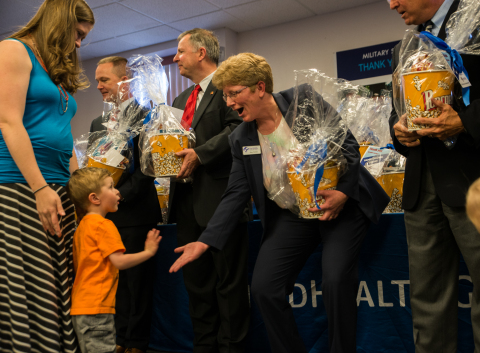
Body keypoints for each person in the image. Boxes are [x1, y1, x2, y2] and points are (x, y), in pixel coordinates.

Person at [170, 53, 390, 353]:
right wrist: (205, 241)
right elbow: (235, 194)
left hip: (339, 205)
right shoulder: (240, 138)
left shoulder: (303, 101)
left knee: (336, 281)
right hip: (293, 214)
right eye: (225, 96)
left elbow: (347, 145)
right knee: (264, 289)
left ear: (260, 88)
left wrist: (342, 193)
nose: (230, 103)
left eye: (235, 94)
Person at [0, 0, 94, 351]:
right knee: (32, 283)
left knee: (60, 283)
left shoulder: (51, 69)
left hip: (57, 186)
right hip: (19, 185)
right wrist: (39, 187)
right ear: (60, 21)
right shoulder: (13, 50)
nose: (80, 43)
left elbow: (64, 138)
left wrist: (80, 194)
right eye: (79, 34)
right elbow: (8, 121)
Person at [389, 0, 480, 351]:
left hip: (472, 181)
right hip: (421, 186)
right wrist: (399, 132)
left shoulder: (475, 19)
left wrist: (465, 121)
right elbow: (397, 109)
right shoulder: (405, 47)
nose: (393, 4)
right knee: (426, 302)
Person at [169, 28, 251, 353]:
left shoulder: (228, 88)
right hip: (186, 204)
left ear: (201, 53)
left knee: (229, 288)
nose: (175, 58)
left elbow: (240, 127)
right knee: (197, 287)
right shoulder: (178, 100)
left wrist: (201, 154)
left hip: (222, 204)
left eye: (180, 51)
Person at [90, 56, 161, 353]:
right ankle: (119, 339)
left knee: (137, 285)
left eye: (104, 80)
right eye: (97, 81)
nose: (98, 86)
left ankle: (137, 343)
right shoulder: (97, 123)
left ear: (125, 81)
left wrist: (117, 197)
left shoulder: (148, 116)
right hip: (108, 217)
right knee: (114, 282)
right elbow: (95, 168)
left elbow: (148, 168)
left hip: (136, 213)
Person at [66, 167, 161, 353]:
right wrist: (148, 252)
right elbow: (119, 262)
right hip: (97, 309)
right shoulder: (104, 225)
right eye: (111, 187)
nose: (117, 191)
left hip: (81, 307)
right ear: (94, 198)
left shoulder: (83, 225)